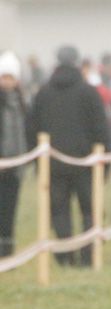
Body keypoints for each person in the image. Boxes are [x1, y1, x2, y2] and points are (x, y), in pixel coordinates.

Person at [30, 45, 109, 266]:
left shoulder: (43, 93)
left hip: (52, 164)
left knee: (59, 212)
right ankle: (88, 256)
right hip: (86, 163)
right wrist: (105, 165)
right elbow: (101, 129)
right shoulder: (89, 92)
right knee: (89, 211)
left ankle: (65, 257)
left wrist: (38, 162)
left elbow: (32, 128)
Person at [0, 51, 30, 258]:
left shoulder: (22, 102)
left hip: (15, 165)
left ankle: (7, 248)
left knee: (10, 208)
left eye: (11, 77)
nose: (7, 82)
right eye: (4, 77)